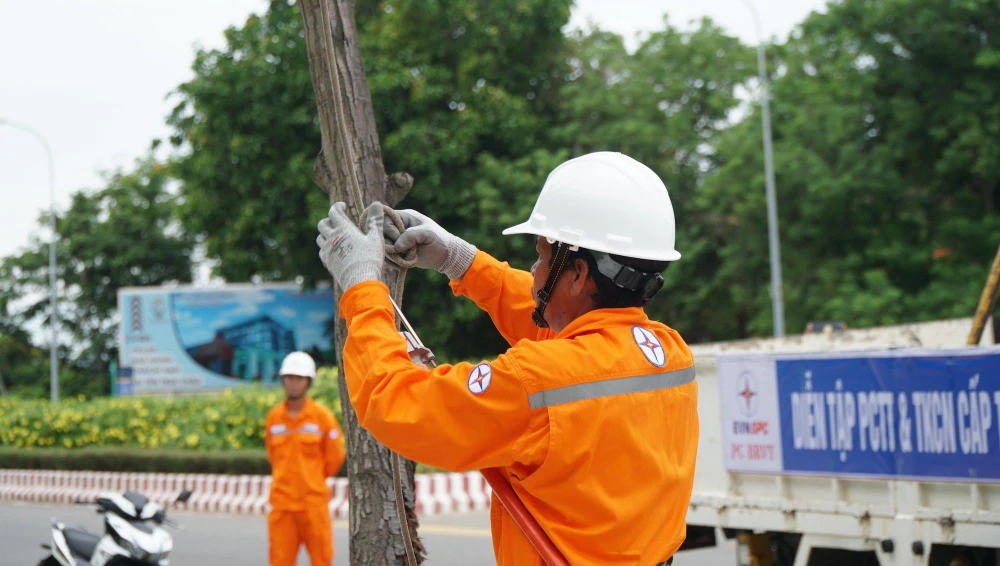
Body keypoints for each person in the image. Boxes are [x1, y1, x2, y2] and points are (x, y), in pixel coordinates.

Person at [316, 152, 698, 565]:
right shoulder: (670, 354)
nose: (533, 272)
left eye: (540, 257)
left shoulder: (538, 382)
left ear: (578, 274)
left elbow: (395, 402)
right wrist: (459, 260)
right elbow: (559, 330)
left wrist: (362, 288)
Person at [264, 351, 346, 566]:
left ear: (308, 382)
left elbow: (335, 457)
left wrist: (313, 479)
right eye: (289, 377)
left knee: (322, 560)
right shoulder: (273, 417)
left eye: (299, 378)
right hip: (282, 506)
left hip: (313, 505)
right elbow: (272, 455)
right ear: (283, 380)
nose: (293, 383)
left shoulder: (322, 417)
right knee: (280, 561)